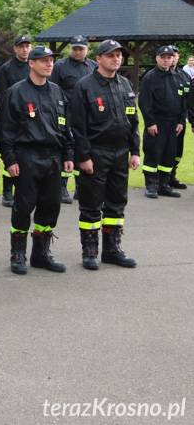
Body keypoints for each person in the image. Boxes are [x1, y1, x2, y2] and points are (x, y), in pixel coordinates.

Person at [0, 46, 73, 275]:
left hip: (52, 157)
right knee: (23, 207)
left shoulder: (57, 92)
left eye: (51, 60)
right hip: (27, 156)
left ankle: (41, 254)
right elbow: (6, 130)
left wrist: (69, 154)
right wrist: (10, 159)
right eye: (43, 60)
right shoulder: (16, 92)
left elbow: (65, 127)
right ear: (31, 63)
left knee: (51, 206)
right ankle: (17, 254)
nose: (49, 64)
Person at [69, 39, 139, 270]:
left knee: (117, 204)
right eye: (110, 55)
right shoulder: (85, 86)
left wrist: (135, 151)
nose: (116, 58)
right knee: (91, 204)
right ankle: (90, 251)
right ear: (98, 59)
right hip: (95, 153)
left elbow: (133, 121)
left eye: (119, 55)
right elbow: (77, 127)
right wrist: (84, 157)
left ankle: (112, 249)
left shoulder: (125, 85)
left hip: (120, 153)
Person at [50, 35, 97, 203]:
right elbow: (52, 90)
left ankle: (80, 186)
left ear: (87, 49)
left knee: (83, 147)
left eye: (81, 48)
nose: (78, 51)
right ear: (70, 48)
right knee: (65, 148)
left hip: (87, 115)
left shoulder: (93, 66)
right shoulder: (60, 66)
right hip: (66, 113)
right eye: (75, 48)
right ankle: (62, 186)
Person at [138, 45, 185, 198]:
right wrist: (150, 122)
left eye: (169, 57)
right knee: (153, 153)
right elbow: (144, 102)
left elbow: (182, 102)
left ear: (173, 59)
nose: (166, 60)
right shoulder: (150, 77)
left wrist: (181, 122)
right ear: (157, 58)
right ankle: (151, 186)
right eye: (163, 57)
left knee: (169, 155)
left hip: (173, 124)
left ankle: (164, 185)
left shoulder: (177, 77)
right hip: (157, 122)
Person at [0, 35, 32, 208]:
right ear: (15, 49)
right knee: (11, 153)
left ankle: (23, 191)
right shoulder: (6, 69)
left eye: (27, 46)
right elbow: (2, 95)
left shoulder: (34, 65)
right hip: (12, 117)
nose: (25, 49)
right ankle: (7, 191)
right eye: (21, 46)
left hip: (31, 118)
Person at [168, 47, 189, 190]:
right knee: (163, 151)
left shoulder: (184, 76)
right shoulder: (159, 75)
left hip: (180, 120)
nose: (173, 58)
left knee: (177, 151)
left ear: (178, 57)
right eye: (170, 56)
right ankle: (159, 180)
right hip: (164, 120)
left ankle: (172, 176)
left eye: (174, 55)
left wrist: (183, 120)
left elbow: (187, 101)